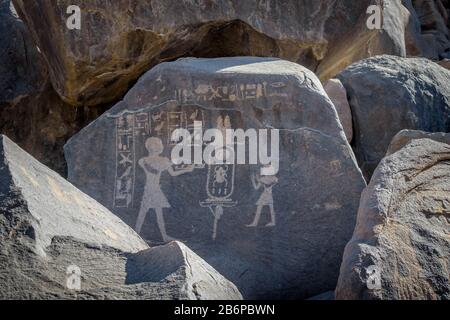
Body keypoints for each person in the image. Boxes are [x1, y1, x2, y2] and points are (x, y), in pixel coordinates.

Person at [135, 137, 194, 242]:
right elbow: (158, 171)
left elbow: (173, 173)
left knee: (157, 213)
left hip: (155, 190)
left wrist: (187, 169)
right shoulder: (143, 160)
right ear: (148, 147)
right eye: (152, 144)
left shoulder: (163, 161)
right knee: (143, 212)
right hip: (149, 190)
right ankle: (136, 234)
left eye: (156, 144)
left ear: (158, 147)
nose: (153, 147)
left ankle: (163, 236)